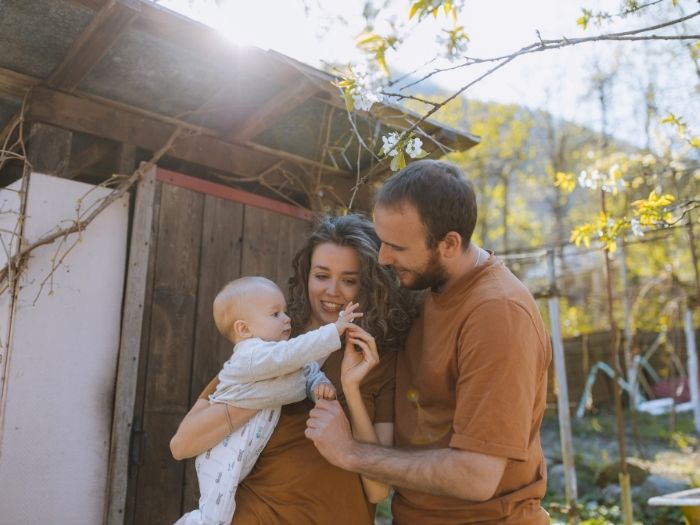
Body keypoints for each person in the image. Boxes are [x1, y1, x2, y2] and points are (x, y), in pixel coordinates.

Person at [305, 160, 552, 524]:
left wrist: (349, 452)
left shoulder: (498, 314)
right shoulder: (422, 288)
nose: (384, 258)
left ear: (449, 244)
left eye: (397, 247)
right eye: (382, 241)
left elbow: (476, 475)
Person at [170, 214, 415, 524]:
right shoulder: (272, 341)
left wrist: (350, 395)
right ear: (306, 275)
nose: (332, 291)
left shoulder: (377, 359)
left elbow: (378, 491)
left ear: (368, 285)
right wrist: (270, 392)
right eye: (322, 275)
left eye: (349, 280)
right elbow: (182, 445)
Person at [175, 276, 360, 525]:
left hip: (249, 448)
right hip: (224, 447)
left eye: (284, 312)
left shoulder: (279, 354)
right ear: (244, 330)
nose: (286, 319)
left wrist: (319, 386)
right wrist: (335, 330)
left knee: (225, 506)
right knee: (214, 514)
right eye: (275, 314)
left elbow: (305, 369)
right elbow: (292, 355)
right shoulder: (251, 356)